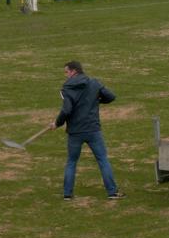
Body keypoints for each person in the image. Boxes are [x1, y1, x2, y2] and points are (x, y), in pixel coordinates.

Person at [50, 61, 124, 200]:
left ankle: (67, 194)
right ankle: (112, 192)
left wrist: (57, 123)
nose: (65, 75)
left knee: (72, 162)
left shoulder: (66, 89)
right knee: (102, 160)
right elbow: (111, 96)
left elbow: (66, 110)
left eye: (66, 72)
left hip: (75, 132)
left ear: (73, 71)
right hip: (93, 129)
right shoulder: (94, 83)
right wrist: (95, 100)